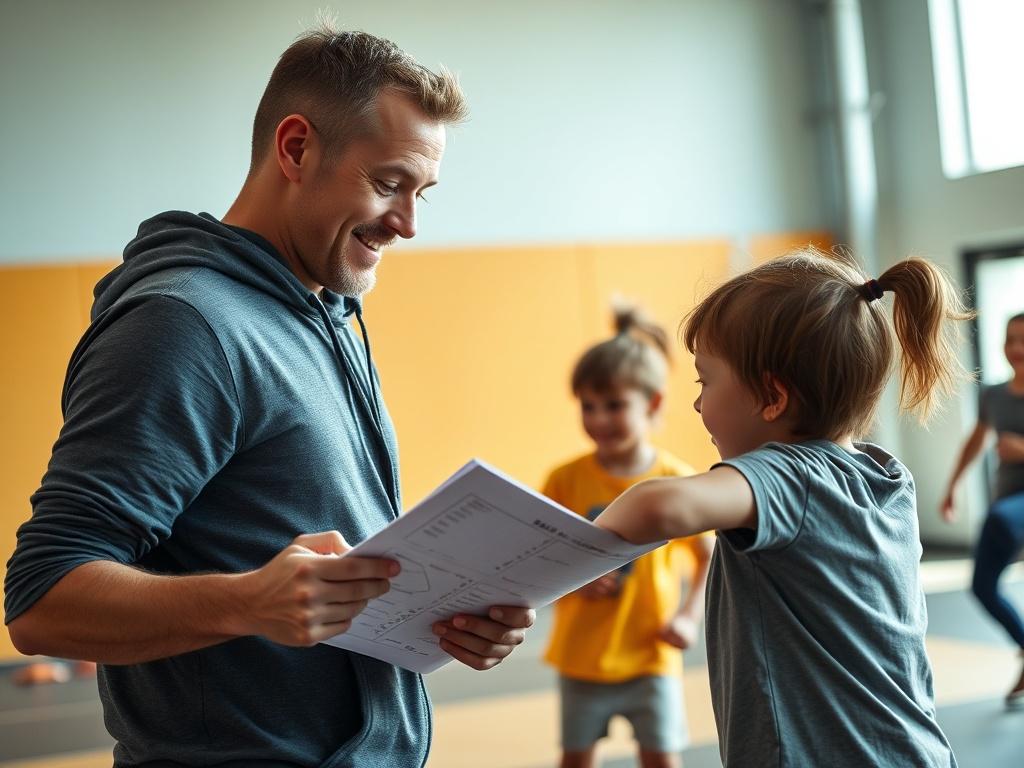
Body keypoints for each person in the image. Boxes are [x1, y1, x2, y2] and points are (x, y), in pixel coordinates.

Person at [4, 26, 534, 767]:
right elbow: (41, 599)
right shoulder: (183, 325)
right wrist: (248, 602)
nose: (410, 224)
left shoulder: (329, 309)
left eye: (422, 192)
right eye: (388, 183)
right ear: (295, 149)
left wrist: (446, 613)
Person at [592, 248, 963, 767]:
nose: (698, 404)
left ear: (772, 396)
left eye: (706, 380)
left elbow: (662, 507)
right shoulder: (884, 476)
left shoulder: (792, 475)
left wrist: (571, 551)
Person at [542, 305, 714, 768]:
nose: (599, 419)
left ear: (653, 403)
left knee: (660, 757)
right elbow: (541, 555)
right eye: (588, 406)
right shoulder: (564, 480)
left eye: (614, 405)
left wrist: (688, 617)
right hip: (581, 656)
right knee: (575, 758)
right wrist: (574, 578)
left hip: (650, 656)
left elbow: (708, 557)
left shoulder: (674, 480)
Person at [940, 311, 1024, 707]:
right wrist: (953, 485)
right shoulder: (993, 394)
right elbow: (976, 439)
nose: (1017, 348)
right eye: (1011, 339)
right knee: (982, 587)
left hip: (1010, 514)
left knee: (999, 518)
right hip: (1006, 508)